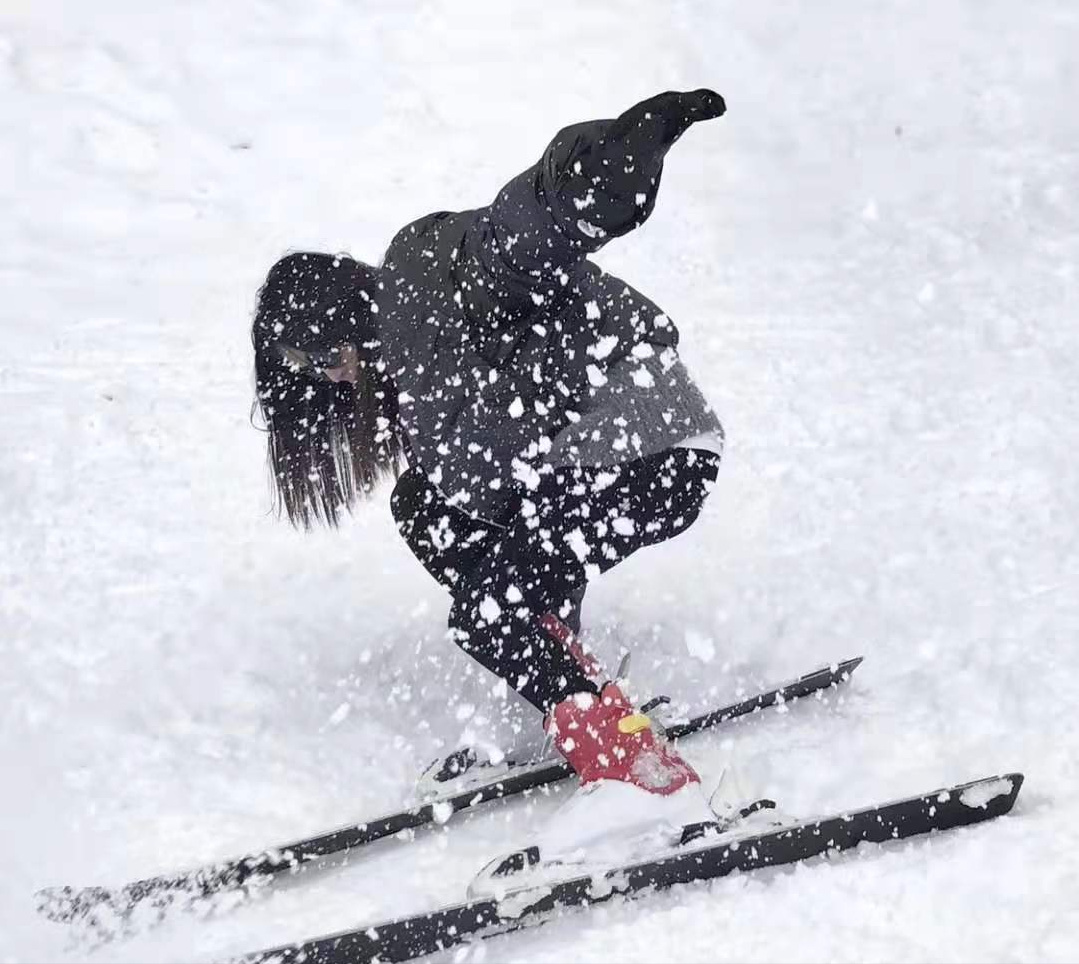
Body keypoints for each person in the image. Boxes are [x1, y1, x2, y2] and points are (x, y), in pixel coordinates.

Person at [251, 89, 728, 864]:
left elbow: (518, 232)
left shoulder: (427, 279)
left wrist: (599, 173)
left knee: (490, 611)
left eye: (314, 356)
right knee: (423, 506)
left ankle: (643, 783)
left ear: (339, 318)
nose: (325, 378)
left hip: (646, 454)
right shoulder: (411, 378)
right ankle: (593, 707)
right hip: (585, 467)